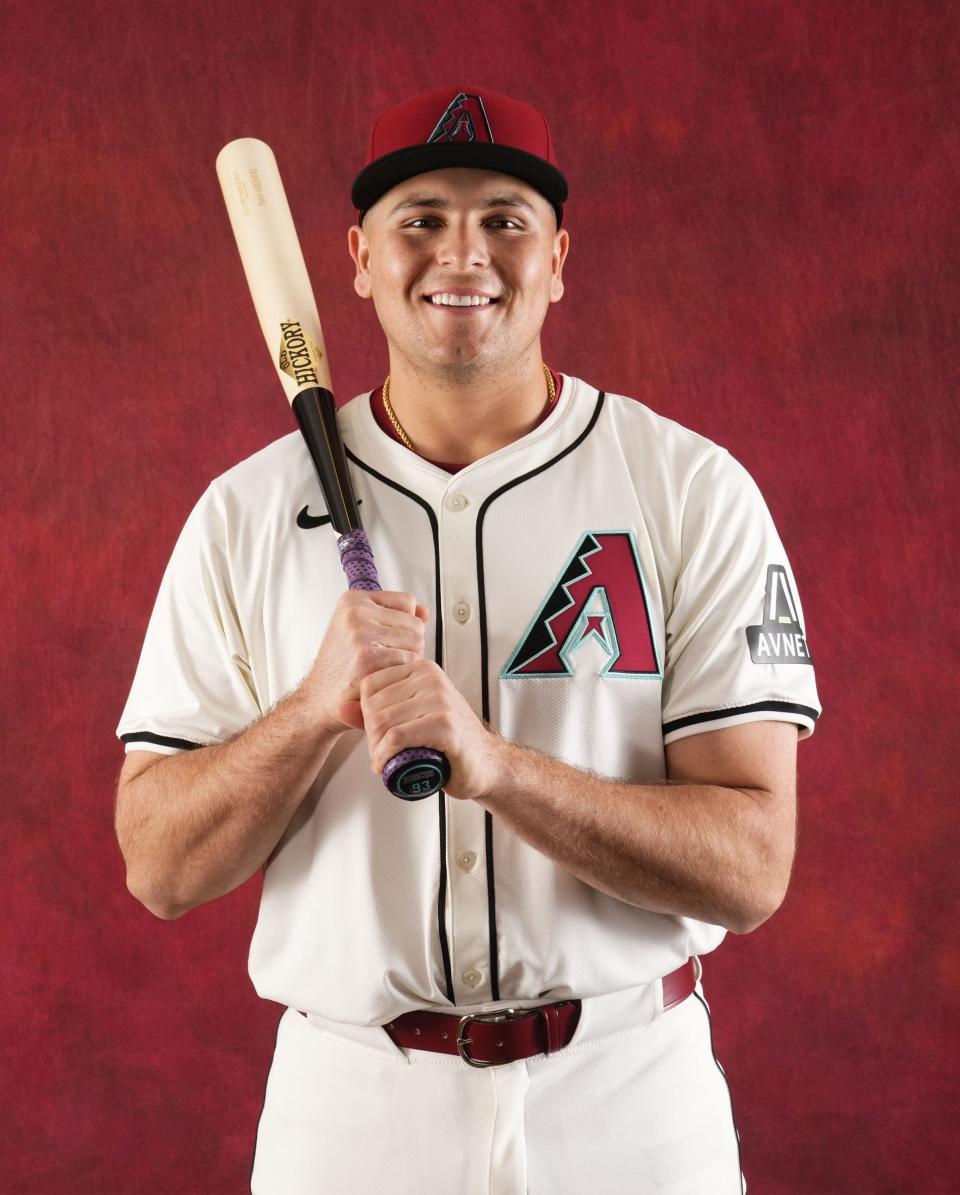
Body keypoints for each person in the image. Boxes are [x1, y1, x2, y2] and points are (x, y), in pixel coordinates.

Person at [114, 86, 821, 1194]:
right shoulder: (245, 513)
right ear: (356, 257)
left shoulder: (689, 490)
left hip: (630, 1098)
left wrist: (497, 769)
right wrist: (312, 714)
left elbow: (750, 867)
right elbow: (157, 865)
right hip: (350, 1112)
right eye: (421, 218)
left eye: (504, 218)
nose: (464, 253)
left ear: (558, 257)